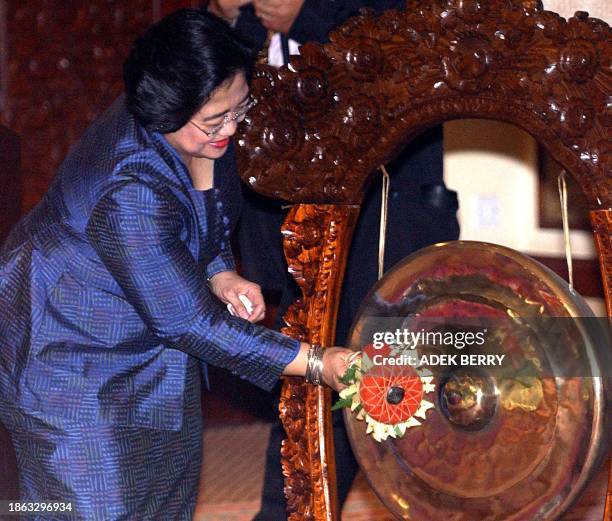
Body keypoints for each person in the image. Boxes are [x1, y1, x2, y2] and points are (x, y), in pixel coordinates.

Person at [0, 9, 353, 521]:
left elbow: (199, 220)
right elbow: (189, 321)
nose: (231, 127)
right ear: (167, 110)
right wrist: (319, 363)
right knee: (89, 504)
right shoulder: (131, 187)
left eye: (239, 107)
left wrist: (219, 272)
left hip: (147, 345)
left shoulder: (203, 129)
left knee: (166, 492)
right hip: (66, 354)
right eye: (216, 120)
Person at [208, 2, 460, 520]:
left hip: (385, 202)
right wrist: (229, 14)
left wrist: (305, 14)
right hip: (289, 201)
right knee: (311, 363)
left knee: (405, 379)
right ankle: (293, 511)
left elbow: (418, 36)